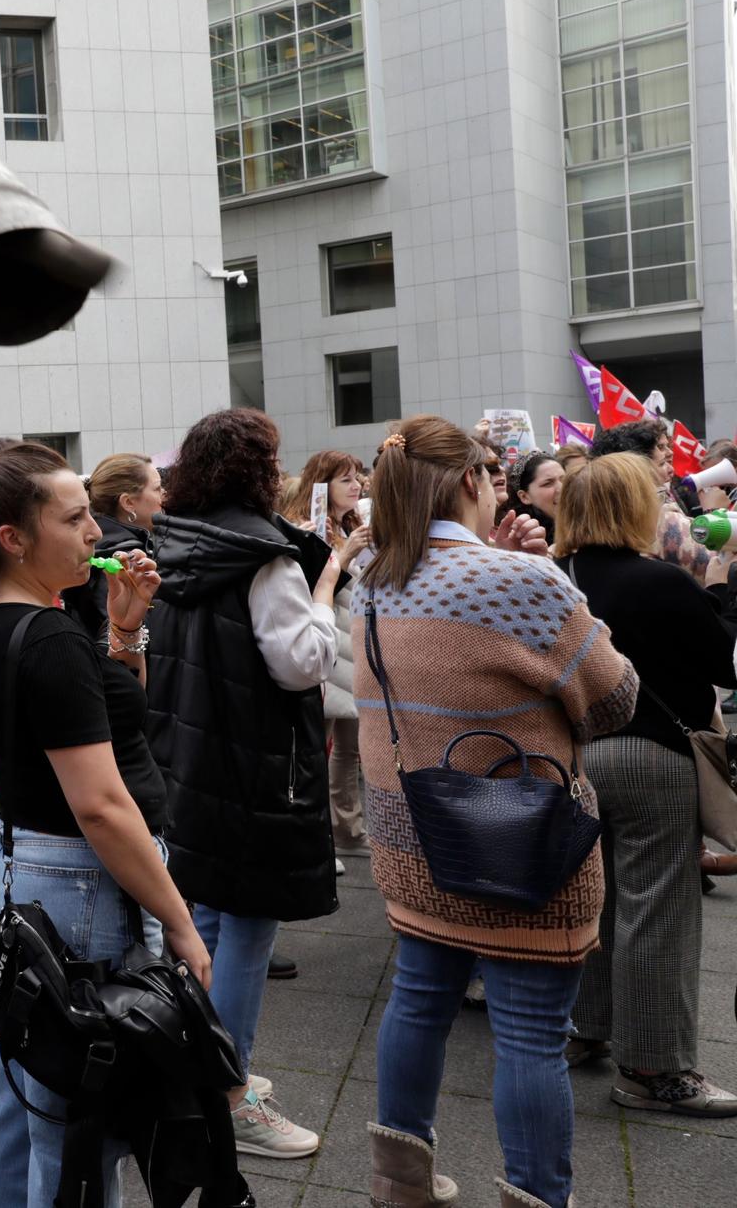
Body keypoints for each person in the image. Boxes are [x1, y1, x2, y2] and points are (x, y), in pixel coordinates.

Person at [0, 436, 212, 1207]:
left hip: (15, 865)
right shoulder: (46, 636)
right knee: (77, 1118)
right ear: (12, 539)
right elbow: (102, 803)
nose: (96, 533)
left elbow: (111, 724)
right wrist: (177, 920)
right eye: (76, 517)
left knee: (19, 1079)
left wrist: (123, 630)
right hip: (73, 883)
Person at [356, 414, 634, 1208]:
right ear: (473, 481)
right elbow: (616, 697)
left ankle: (398, 1179)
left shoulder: (373, 578)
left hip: (415, 842)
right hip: (525, 851)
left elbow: (449, 661)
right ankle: (537, 1197)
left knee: (417, 1000)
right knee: (529, 1035)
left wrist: (508, 570)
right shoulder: (527, 584)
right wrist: (545, 582)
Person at [144, 407, 341, 1160]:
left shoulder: (177, 539)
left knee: (209, 927)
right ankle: (224, 1095)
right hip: (253, 767)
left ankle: (198, 1076)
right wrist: (323, 601)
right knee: (247, 929)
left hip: (189, 759)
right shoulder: (267, 557)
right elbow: (300, 661)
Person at [555, 453, 737, 1117]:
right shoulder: (663, 582)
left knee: (592, 902)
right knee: (656, 910)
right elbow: (724, 658)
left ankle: (585, 1027)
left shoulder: (556, 577)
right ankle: (653, 1067)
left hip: (575, 757)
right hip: (655, 755)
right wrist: (717, 580)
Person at [290, 451, 375, 865]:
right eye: (344, 480)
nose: (356, 485)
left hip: (352, 641)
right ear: (321, 485)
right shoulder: (304, 526)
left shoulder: (352, 525)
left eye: (357, 477)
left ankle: (348, 829)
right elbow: (308, 587)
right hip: (325, 643)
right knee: (314, 747)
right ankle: (317, 836)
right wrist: (343, 554)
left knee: (350, 747)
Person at [592, 418, 711, 581]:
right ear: (638, 462)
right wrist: (713, 510)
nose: (670, 453)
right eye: (661, 448)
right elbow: (711, 563)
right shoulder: (659, 517)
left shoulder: (598, 512)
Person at [513, 452, 565, 545]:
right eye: (548, 483)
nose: (561, 488)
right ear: (524, 497)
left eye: (564, 480)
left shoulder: (588, 527)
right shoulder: (520, 542)